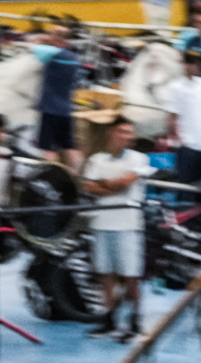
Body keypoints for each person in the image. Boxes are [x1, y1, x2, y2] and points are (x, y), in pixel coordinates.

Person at [82, 118, 155, 341]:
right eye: (123, 132)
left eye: (129, 133)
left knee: (131, 276)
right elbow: (89, 186)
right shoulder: (96, 160)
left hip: (128, 226)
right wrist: (110, 184)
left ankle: (135, 322)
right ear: (111, 133)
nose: (128, 137)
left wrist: (104, 183)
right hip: (102, 224)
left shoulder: (139, 158)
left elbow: (124, 184)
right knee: (106, 275)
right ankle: (109, 321)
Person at [163, 51, 201, 185]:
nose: (191, 66)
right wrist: (178, 138)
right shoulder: (176, 87)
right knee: (186, 184)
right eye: (189, 62)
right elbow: (173, 115)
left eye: (194, 63)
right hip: (187, 143)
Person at [32, 31, 82, 170]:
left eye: (54, 37)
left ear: (60, 42)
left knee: (48, 149)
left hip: (50, 109)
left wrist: (41, 38)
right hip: (65, 110)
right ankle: (76, 175)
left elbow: (30, 47)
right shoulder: (74, 58)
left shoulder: (53, 53)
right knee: (69, 146)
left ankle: (50, 176)